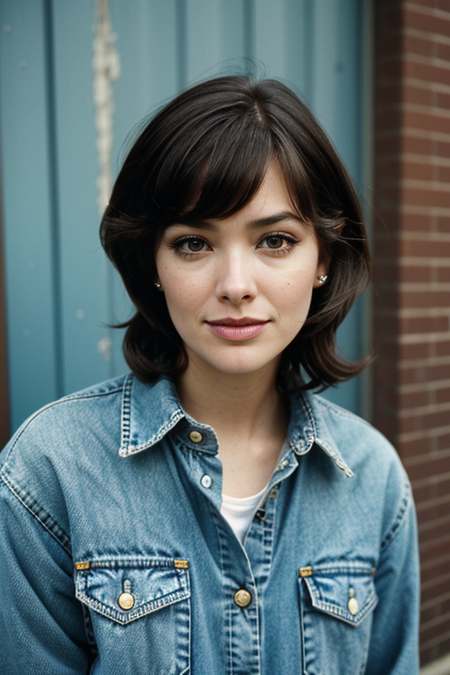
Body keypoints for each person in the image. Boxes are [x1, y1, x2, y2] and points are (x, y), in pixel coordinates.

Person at [0, 75, 419, 675]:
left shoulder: (373, 480)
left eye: (275, 240)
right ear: (152, 264)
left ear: (323, 258)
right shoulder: (49, 471)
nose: (236, 285)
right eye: (194, 243)